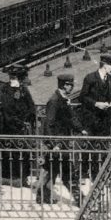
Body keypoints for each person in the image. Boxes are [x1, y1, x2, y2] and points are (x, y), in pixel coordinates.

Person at [37, 74, 88, 204]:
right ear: (65, 85)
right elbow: (49, 124)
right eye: (70, 84)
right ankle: (81, 200)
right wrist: (54, 144)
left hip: (61, 142)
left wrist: (80, 129)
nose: (72, 87)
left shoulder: (63, 99)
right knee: (66, 171)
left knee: (52, 170)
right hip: (58, 143)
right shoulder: (54, 101)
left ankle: (42, 196)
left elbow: (70, 118)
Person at [0, 64, 37, 185]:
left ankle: (23, 177)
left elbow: (31, 106)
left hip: (23, 127)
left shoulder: (23, 89)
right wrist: (19, 122)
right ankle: (13, 178)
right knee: (13, 153)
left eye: (18, 78)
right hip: (12, 127)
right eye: (14, 78)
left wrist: (27, 118)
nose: (16, 81)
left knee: (24, 153)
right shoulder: (6, 90)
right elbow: (7, 110)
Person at [78, 54, 111, 136]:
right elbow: (82, 97)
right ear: (105, 66)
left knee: (104, 144)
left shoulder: (110, 79)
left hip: (105, 120)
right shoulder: (90, 78)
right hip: (91, 119)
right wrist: (96, 104)